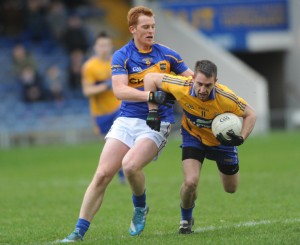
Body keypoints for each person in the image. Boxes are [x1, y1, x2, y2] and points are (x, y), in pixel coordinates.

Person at [61, 5, 193, 242]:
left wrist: (185, 92)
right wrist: (151, 95)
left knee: (130, 166)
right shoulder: (122, 55)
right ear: (133, 29)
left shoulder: (168, 55)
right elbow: (120, 91)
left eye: (153, 26)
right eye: (145, 27)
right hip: (126, 119)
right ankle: (78, 232)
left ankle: (140, 207)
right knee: (102, 175)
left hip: (156, 123)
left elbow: (191, 82)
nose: (151, 31)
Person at [144, 59, 257, 234]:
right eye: (199, 84)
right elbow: (150, 78)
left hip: (222, 143)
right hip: (193, 136)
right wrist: (152, 109)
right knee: (190, 182)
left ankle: (227, 160)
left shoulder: (226, 97)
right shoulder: (181, 85)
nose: (203, 90)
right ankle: (186, 220)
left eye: (208, 85)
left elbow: (251, 114)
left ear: (216, 82)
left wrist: (241, 138)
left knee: (231, 189)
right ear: (193, 78)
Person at [81, 31, 124, 183]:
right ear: (95, 47)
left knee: (122, 140)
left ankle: (126, 171)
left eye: (106, 45)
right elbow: (87, 91)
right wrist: (106, 86)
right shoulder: (89, 67)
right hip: (100, 113)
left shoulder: (117, 61)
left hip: (118, 108)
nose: (104, 48)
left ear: (111, 46)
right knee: (111, 147)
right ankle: (121, 172)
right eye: (101, 45)